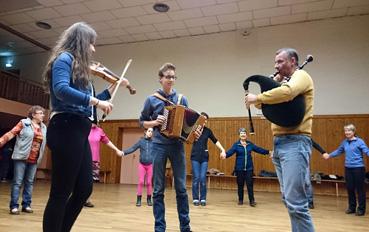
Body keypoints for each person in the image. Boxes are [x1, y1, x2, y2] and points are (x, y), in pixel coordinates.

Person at [42, 22, 128, 232]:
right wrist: (97, 103)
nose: (93, 49)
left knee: (83, 188)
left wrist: (109, 91)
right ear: (81, 42)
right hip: (65, 127)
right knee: (61, 192)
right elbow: (61, 90)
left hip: (79, 128)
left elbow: (85, 100)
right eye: (91, 43)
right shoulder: (64, 59)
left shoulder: (80, 69)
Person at [245, 48, 315, 231]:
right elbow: (260, 105)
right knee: (289, 201)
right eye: (275, 62)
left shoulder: (301, 76)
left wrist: (258, 96)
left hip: (296, 142)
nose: (276, 65)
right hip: (280, 143)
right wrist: (271, 84)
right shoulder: (282, 83)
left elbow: (288, 92)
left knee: (297, 203)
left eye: (280, 61)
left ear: (293, 61)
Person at [139, 63, 200, 232]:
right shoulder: (151, 99)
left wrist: (195, 132)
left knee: (181, 188)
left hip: (177, 146)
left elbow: (189, 125)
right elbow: (142, 122)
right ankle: (159, 228)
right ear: (161, 79)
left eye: (173, 77)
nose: (171, 79)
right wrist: (154, 122)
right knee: (158, 189)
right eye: (168, 76)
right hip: (158, 146)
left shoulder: (182, 99)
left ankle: (185, 227)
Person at [0, 105, 47, 215]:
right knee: (17, 182)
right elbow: (11, 133)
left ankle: (26, 205)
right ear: (33, 114)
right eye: (40, 113)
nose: (43, 115)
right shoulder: (24, 123)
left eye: (43, 113)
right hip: (21, 157)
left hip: (34, 159)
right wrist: (1, 141)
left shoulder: (44, 127)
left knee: (29, 182)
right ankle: (14, 206)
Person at [323, 124, 369, 216]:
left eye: (349, 130)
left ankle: (361, 209)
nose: (347, 132)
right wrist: (329, 155)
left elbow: (367, 151)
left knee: (360, 189)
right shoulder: (344, 142)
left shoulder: (360, 142)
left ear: (353, 132)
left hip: (358, 168)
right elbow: (339, 151)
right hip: (348, 168)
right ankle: (352, 207)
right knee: (350, 188)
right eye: (345, 131)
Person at [221, 128, 270, 206]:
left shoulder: (250, 144)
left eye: (244, 133)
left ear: (246, 135)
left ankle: (252, 201)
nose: (243, 134)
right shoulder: (236, 145)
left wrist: (268, 152)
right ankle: (240, 200)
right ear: (239, 136)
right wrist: (225, 155)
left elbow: (258, 149)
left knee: (250, 185)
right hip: (239, 169)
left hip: (249, 169)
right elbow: (230, 152)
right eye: (241, 133)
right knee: (240, 185)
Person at [191, 112, 226, 207]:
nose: (204, 121)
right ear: (199, 119)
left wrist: (222, 150)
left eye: (206, 119)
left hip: (204, 158)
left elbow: (215, 140)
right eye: (203, 119)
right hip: (195, 157)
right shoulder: (193, 130)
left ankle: (202, 198)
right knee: (196, 178)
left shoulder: (208, 131)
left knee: (202, 178)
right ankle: (195, 198)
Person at [84, 122, 123, 207]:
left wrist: (117, 149)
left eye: (95, 121)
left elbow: (107, 141)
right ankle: (78, 199)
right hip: (83, 159)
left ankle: (87, 200)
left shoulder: (99, 131)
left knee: (90, 182)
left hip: (95, 160)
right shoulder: (84, 129)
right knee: (81, 180)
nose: (93, 122)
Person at [123, 127, 154, 207]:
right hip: (142, 165)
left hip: (150, 165)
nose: (150, 132)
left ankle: (149, 199)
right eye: (149, 131)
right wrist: (124, 152)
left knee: (149, 182)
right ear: (145, 132)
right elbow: (133, 148)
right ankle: (139, 199)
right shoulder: (141, 141)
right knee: (140, 181)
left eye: (151, 131)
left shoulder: (154, 142)